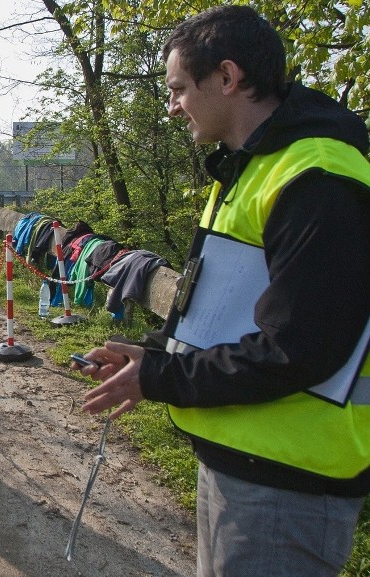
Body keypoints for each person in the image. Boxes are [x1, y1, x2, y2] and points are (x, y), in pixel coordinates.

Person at [75, 6, 369, 576]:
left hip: (289, 484)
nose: (172, 104)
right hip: (244, 464)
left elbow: (300, 348)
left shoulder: (317, 176)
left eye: (179, 88)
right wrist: (155, 352)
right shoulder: (252, 169)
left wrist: (159, 378)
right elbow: (221, 311)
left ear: (228, 78)